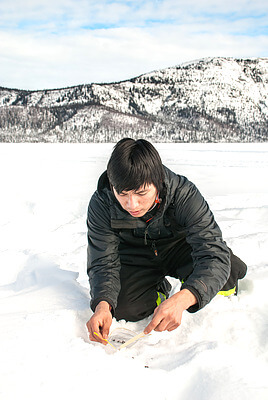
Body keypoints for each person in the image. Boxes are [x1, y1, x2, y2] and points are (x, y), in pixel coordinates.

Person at [86, 138, 247, 345]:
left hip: (180, 249)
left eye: (141, 193)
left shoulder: (184, 193)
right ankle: (158, 292)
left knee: (225, 273)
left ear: (158, 181)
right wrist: (102, 305)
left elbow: (213, 253)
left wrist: (185, 297)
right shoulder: (102, 202)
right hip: (136, 258)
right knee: (124, 307)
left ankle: (192, 288)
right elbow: (102, 261)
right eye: (122, 193)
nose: (131, 204)